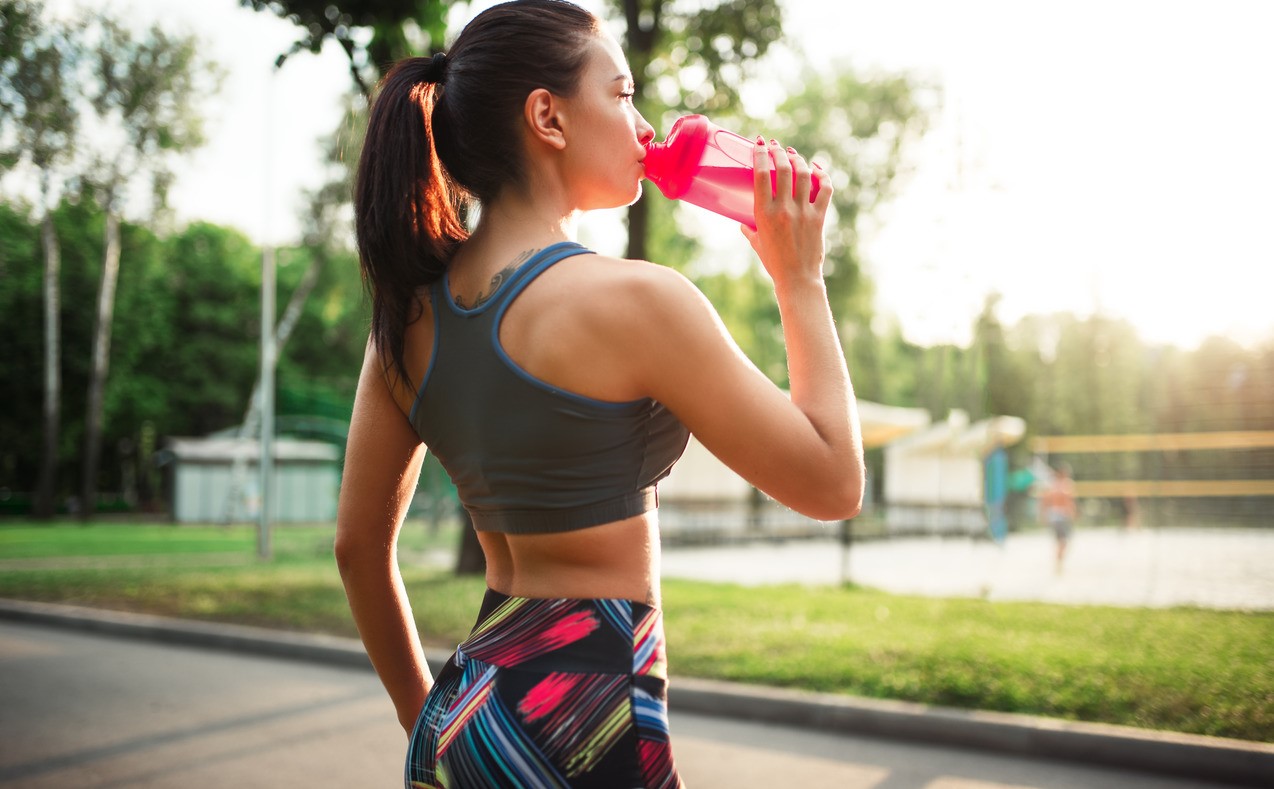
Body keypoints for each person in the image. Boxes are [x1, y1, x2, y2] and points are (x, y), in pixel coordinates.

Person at [334, 1, 865, 786]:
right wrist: (799, 279)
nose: (644, 124)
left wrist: (432, 725)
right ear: (547, 116)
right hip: (586, 722)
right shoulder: (639, 303)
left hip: (461, 714)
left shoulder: (404, 322)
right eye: (621, 95)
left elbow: (357, 550)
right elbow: (833, 481)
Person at [1041, 462, 1077, 572]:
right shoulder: (1066, 485)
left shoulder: (1052, 485)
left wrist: (1044, 514)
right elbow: (1069, 502)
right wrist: (1073, 513)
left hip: (1054, 515)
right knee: (1063, 541)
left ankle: (1058, 562)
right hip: (1062, 516)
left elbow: (1045, 501)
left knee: (1060, 541)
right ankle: (1059, 562)